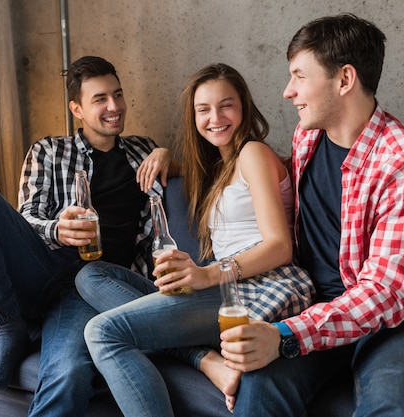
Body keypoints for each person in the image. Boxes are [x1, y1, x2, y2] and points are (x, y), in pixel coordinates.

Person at [219, 14, 404, 417]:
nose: (287, 91)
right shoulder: (307, 136)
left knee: (398, 408)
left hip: (401, 323)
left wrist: (286, 334)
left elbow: (385, 294)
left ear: (345, 80)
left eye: (299, 76)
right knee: (256, 390)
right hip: (317, 306)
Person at [0, 56, 176, 417]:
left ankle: (29, 333)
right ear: (76, 109)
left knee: (69, 375)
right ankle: (7, 326)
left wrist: (168, 154)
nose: (114, 107)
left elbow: (192, 176)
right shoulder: (48, 151)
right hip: (43, 267)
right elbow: (26, 217)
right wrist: (58, 228)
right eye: (100, 99)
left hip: (94, 288)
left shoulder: (142, 150)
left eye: (117, 95)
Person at [75, 63, 314, 417]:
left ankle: (201, 357)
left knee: (102, 332)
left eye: (226, 105)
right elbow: (183, 167)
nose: (215, 117)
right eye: (203, 109)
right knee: (90, 276)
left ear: (244, 107)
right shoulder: (221, 167)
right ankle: (204, 358)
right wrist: (163, 154)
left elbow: (280, 246)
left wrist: (207, 274)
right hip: (229, 285)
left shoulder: (253, 154)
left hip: (262, 284)